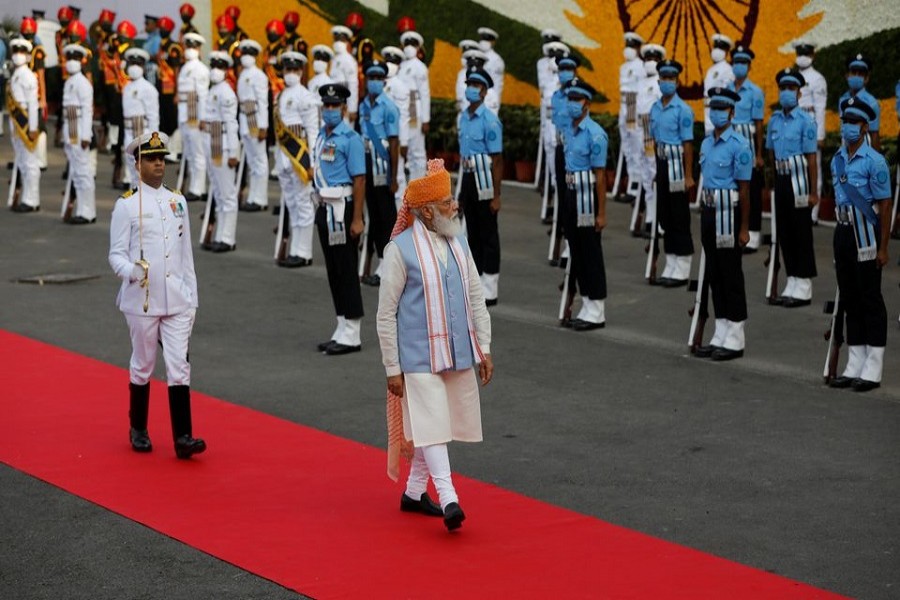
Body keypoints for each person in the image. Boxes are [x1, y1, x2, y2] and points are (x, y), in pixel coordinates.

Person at [376, 158, 493, 532]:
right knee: (433, 424)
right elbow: (385, 315)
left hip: (456, 352)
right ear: (426, 212)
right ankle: (450, 498)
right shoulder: (399, 250)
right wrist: (392, 368)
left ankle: (413, 493)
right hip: (416, 357)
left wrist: (484, 348)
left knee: (437, 425)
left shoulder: (458, 242)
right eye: (446, 202)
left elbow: (476, 295)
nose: (454, 206)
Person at [108, 131, 206, 459]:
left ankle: (183, 437)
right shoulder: (126, 205)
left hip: (177, 298)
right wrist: (131, 270)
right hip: (143, 299)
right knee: (144, 364)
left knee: (179, 366)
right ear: (137, 164)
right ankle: (138, 427)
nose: (159, 163)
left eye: (162, 157)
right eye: (151, 158)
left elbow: (186, 255)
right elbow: (115, 254)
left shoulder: (177, 201)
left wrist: (192, 297)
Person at [827, 97, 891, 392]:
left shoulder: (875, 161)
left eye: (854, 122)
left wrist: (883, 247)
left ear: (865, 126)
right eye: (845, 121)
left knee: (869, 297)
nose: (848, 126)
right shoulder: (836, 159)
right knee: (850, 296)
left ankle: (874, 363)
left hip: (866, 234)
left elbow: (885, 205)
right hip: (843, 232)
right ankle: (855, 359)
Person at [693, 88, 752, 361]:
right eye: (713, 107)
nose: (717, 112)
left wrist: (744, 228)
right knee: (714, 273)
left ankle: (736, 333)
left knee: (730, 273)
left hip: (729, 214)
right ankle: (721, 328)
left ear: (732, 112)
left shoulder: (740, 145)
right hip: (709, 211)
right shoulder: (706, 143)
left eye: (722, 108)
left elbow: (745, 189)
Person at [313, 83, 366, 355]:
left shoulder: (351, 138)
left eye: (335, 105)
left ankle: (353, 332)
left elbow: (359, 180)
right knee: (334, 270)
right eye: (327, 105)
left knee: (346, 268)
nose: (330, 110)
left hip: (343, 209)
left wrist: (357, 218)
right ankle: (341, 325)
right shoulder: (322, 135)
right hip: (325, 206)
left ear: (344, 108)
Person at [766, 68, 818, 307]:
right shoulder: (775, 120)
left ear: (799, 93)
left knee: (801, 232)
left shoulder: (806, 121)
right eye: (783, 88)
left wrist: (813, 192)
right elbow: (771, 154)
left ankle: (804, 284)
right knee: (784, 232)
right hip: (782, 179)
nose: (787, 92)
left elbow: (812, 158)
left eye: (792, 89)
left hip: (799, 182)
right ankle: (792, 279)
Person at [561, 77, 609, 330]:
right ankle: (586, 301)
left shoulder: (596, 134)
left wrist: (602, 213)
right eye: (569, 99)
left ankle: (596, 306)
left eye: (576, 99)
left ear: (587, 103)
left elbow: (600, 177)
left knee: (590, 250)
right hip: (571, 194)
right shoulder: (569, 130)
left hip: (587, 198)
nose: (572, 104)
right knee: (576, 248)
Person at [458, 67, 504, 306]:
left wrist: (497, 195)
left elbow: (497, 161)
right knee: (472, 231)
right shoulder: (463, 117)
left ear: (485, 91)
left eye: (476, 85)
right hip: (468, 177)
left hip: (485, 179)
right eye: (469, 84)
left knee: (488, 232)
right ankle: (474, 281)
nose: (471, 89)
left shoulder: (490, 121)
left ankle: (490, 284)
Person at [650, 59, 695, 286]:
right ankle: (670, 260)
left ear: (677, 82)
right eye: (664, 78)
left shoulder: (683, 110)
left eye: (671, 78)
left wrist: (688, 175)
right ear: (659, 81)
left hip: (678, 167)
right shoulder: (655, 108)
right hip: (663, 163)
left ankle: (683, 263)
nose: (667, 82)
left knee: (679, 214)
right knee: (664, 215)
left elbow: (688, 144)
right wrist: (657, 170)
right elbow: (654, 140)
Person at [274, 51, 320, 267]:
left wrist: (312, 162)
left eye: (294, 70)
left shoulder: (306, 96)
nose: (290, 74)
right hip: (284, 157)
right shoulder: (280, 95)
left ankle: (304, 252)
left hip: (300, 159)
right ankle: (294, 249)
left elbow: (312, 131)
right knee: (292, 204)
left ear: (301, 71)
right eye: (287, 70)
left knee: (303, 204)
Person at [358, 60, 401, 286]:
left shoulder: (389, 107)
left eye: (378, 78)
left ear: (383, 81)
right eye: (370, 78)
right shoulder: (363, 105)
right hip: (366, 164)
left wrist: (394, 177)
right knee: (374, 216)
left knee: (387, 218)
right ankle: (378, 262)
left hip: (382, 168)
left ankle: (390, 265)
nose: (374, 82)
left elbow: (394, 144)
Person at [201, 51, 240, 253]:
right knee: (217, 192)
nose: (215, 70)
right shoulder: (213, 89)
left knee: (227, 194)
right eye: (213, 66)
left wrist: (234, 152)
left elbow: (231, 124)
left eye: (220, 67)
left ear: (226, 70)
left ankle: (227, 238)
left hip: (223, 145)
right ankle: (219, 235)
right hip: (211, 143)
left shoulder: (226, 93)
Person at [727, 46, 765, 252]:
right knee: (733, 190)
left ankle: (754, 233)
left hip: (747, 147)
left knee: (750, 191)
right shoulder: (726, 88)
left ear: (749, 66)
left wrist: (759, 153)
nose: (739, 66)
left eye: (743, 62)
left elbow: (758, 124)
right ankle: (735, 230)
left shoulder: (755, 92)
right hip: (729, 146)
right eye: (736, 62)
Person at [61, 43, 95, 224]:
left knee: (83, 173)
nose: (71, 63)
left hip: (79, 132)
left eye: (75, 59)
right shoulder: (69, 82)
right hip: (71, 131)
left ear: (81, 61)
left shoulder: (83, 83)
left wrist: (86, 136)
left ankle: (87, 212)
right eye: (69, 59)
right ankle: (82, 209)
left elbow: (87, 111)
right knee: (76, 173)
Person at [794, 41, 827, 224]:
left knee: (814, 170)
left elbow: (820, 108)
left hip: (811, 125)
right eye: (800, 53)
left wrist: (820, 135)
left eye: (806, 53)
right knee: (799, 169)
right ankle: (800, 207)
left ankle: (813, 214)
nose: (802, 56)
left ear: (813, 55)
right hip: (796, 126)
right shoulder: (793, 76)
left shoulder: (817, 78)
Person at [236, 39, 271, 212]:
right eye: (244, 54)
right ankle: (252, 197)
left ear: (255, 56)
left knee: (260, 161)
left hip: (255, 119)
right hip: (244, 118)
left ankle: (260, 199)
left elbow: (263, 102)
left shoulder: (259, 76)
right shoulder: (243, 74)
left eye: (250, 54)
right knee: (251, 162)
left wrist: (263, 126)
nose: (246, 57)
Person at [635, 43, 664, 236]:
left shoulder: (660, 83)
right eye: (647, 59)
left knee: (656, 174)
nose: (650, 63)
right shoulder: (641, 83)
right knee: (646, 176)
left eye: (654, 60)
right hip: (641, 131)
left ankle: (659, 221)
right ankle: (650, 218)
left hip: (652, 131)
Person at [121, 48, 160, 188]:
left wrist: (154, 142)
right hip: (128, 132)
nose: (134, 67)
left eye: (138, 64)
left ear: (143, 67)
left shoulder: (148, 89)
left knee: (143, 174)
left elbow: (153, 116)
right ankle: (134, 205)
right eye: (132, 64)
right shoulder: (127, 88)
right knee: (132, 173)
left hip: (142, 133)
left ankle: (145, 207)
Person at [177, 32, 209, 202]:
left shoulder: (200, 69)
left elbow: (203, 95)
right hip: (184, 115)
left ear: (199, 49)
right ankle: (194, 186)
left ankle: (198, 189)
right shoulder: (185, 67)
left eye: (193, 47)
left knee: (198, 153)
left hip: (195, 115)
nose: (190, 50)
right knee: (189, 153)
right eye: (188, 46)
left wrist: (203, 118)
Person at [398, 30, 430, 180]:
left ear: (418, 48)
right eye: (407, 44)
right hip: (401, 104)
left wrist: (425, 119)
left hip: (412, 104)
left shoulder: (420, 67)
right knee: (404, 144)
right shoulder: (401, 65)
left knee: (416, 147)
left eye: (413, 44)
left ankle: (419, 181)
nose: (409, 47)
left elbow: (424, 93)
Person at [619, 31, 645, 204]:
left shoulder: (640, 66)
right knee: (627, 148)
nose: (628, 49)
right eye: (627, 45)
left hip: (632, 105)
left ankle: (635, 186)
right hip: (623, 105)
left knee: (635, 148)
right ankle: (631, 184)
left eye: (632, 46)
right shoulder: (623, 66)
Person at [838, 54, 881, 151]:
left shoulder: (871, 102)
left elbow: (874, 134)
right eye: (853, 72)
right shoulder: (842, 99)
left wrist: (875, 161)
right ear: (847, 75)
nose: (856, 76)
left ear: (866, 78)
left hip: (864, 151)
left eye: (861, 73)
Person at [703, 33, 734, 135]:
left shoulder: (728, 70)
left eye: (721, 48)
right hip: (708, 111)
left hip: (719, 110)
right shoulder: (710, 70)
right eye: (716, 47)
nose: (717, 50)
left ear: (726, 51)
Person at [329, 26, 359, 124]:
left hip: (344, 105)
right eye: (336, 39)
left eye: (341, 40)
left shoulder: (349, 60)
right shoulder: (334, 58)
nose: (338, 42)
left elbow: (353, 84)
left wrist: (352, 109)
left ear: (346, 42)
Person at [477, 27, 504, 104]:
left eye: (486, 40)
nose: (483, 42)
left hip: (488, 100)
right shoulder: (474, 56)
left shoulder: (496, 60)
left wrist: (495, 103)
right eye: (482, 39)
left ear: (493, 42)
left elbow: (497, 84)